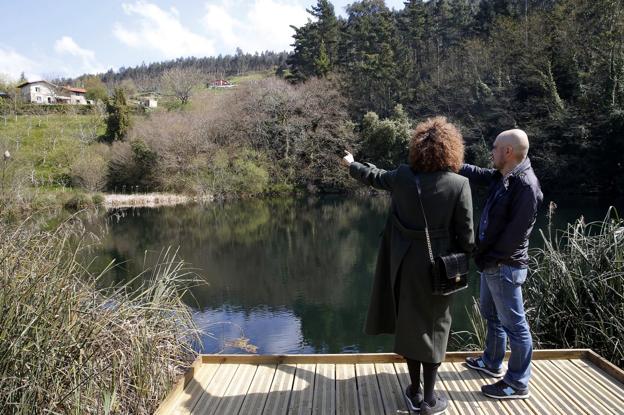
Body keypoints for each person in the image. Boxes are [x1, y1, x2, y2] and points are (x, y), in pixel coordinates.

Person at [342, 116, 474, 415]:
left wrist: (352, 164)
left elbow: (374, 177)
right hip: (440, 268)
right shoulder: (459, 184)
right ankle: (428, 400)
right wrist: (465, 256)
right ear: (453, 150)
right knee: (435, 328)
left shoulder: (403, 177)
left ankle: (413, 391)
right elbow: (466, 237)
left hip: (402, 263)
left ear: (417, 147)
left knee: (410, 325)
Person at [460, 129, 543, 400]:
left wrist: (488, 259)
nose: (491, 151)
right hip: (492, 264)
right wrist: (451, 161)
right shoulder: (504, 176)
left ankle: (517, 383)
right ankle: (492, 362)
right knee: (491, 316)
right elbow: (477, 173)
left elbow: (514, 237)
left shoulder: (525, 185)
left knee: (516, 327)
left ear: (508, 151)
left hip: (504, 266)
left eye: (495, 147)